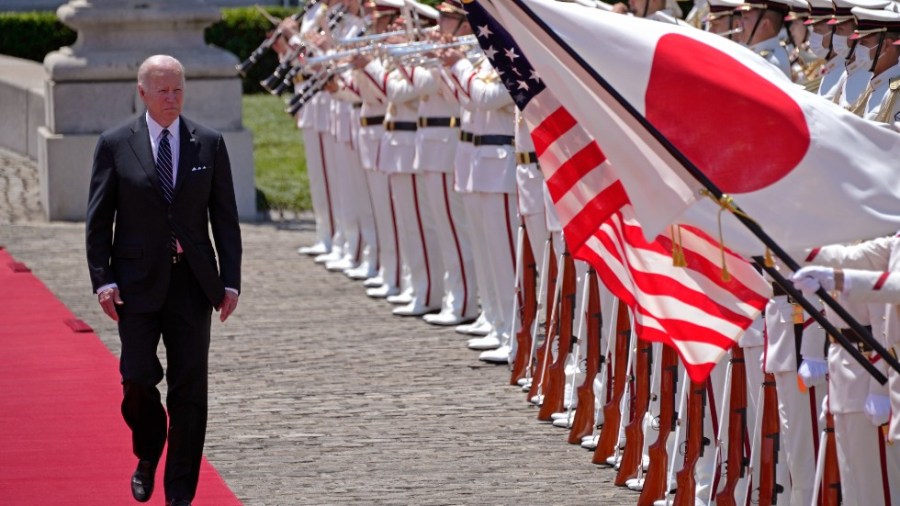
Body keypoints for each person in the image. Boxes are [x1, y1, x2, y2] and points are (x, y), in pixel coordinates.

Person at [85, 54, 242, 506]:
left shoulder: (208, 143)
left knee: (189, 388)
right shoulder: (116, 144)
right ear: (142, 93)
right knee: (136, 378)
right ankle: (148, 449)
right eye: (163, 91)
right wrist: (103, 280)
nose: (172, 98)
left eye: (178, 89)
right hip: (135, 283)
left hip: (193, 284)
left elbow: (225, 218)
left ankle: (179, 494)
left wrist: (230, 281)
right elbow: (99, 221)